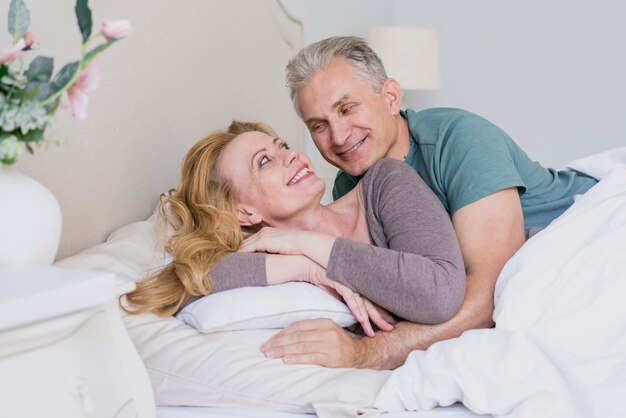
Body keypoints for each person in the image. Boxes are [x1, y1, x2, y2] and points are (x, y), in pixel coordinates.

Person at [258, 36, 599, 369]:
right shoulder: (350, 182)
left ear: (390, 97)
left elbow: (487, 297)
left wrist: (362, 354)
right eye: (319, 125)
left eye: (347, 109)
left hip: (591, 227)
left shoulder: (462, 141)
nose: (339, 137)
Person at [123, 120, 466, 340]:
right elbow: (187, 279)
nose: (292, 155)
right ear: (244, 212)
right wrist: (305, 267)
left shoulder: (386, 182)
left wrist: (306, 242)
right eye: (264, 161)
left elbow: (440, 293)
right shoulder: (270, 253)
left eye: (282, 146)